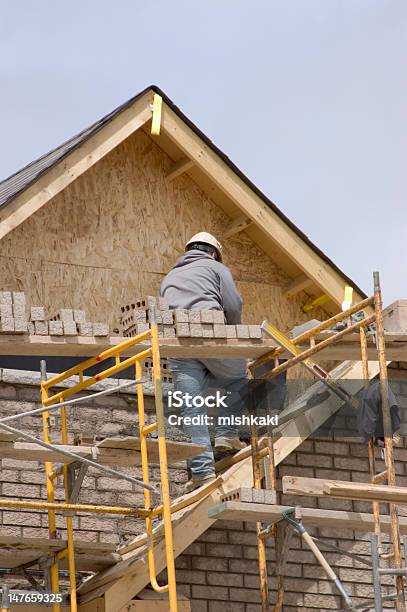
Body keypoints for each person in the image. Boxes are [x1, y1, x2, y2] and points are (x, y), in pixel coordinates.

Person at [160, 232, 248, 492]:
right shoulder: (216, 267)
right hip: (211, 336)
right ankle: (226, 433)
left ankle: (202, 474)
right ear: (213, 252)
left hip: (179, 346)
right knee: (237, 378)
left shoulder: (169, 278)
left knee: (192, 409)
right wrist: (232, 335)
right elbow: (233, 304)